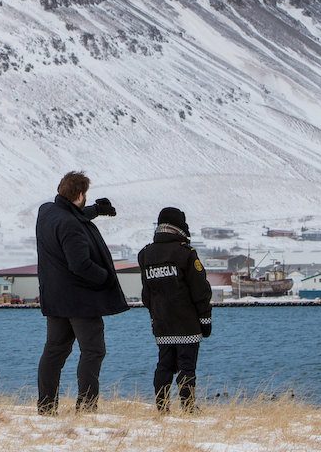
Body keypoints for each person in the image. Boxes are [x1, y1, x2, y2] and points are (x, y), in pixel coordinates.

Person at [35, 170, 128, 415]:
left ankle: (46, 407)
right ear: (79, 194)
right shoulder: (70, 225)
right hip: (80, 302)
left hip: (55, 299)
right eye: (85, 195)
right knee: (93, 350)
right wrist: (105, 276)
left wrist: (96, 210)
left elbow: (71, 216)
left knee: (54, 351)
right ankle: (86, 408)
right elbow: (80, 265)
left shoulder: (46, 212)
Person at [138, 206, 212, 413]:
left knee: (164, 366)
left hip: (161, 323)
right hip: (187, 324)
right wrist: (205, 320)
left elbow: (147, 294)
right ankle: (188, 408)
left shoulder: (145, 255)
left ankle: (162, 408)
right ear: (179, 226)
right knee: (187, 367)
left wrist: (154, 317)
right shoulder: (185, 253)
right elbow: (200, 290)